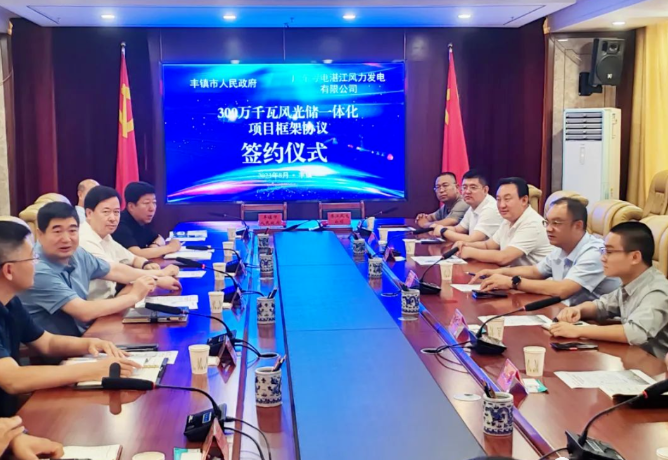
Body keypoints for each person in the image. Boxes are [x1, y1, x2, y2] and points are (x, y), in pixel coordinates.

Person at [0, 219, 140, 417]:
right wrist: (93, 370)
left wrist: (90, 343)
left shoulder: (11, 302)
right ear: (8, 270)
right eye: (32, 258)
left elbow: (46, 342)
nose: (36, 264)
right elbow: (13, 379)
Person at [18, 202, 181, 337]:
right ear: (40, 234)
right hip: (62, 351)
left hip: (86, 335)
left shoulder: (76, 252)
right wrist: (133, 296)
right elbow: (83, 311)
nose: (66, 239)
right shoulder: (37, 268)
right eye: (57, 231)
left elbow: (114, 270)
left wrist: (158, 278)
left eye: (72, 230)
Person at [471, 198, 620, 305]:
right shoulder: (562, 247)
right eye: (547, 222)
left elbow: (562, 289)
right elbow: (535, 271)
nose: (548, 229)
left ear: (578, 225)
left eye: (556, 223)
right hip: (566, 313)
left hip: (597, 324)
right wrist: (499, 273)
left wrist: (512, 282)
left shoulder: (595, 253)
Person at [553, 222, 668, 359]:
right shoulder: (632, 282)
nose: (603, 258)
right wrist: (577, 310)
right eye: (603, 251)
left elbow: (635, 333)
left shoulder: (656, 291)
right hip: (633, 357)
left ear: (635, 257)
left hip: (656, 366)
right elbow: (601, 306)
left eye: (609, 252)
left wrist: (578, 330)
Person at [79, 186, 180, 300]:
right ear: (89, 213)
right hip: (94, 307)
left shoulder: (105, 236)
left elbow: (132, 258)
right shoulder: (84, 239)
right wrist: (160, 276)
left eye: (116, 212)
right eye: (106, 212)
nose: (113, 218)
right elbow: (115, 271)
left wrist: (145, 264)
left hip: (111, 300)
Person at [454, 177, 552, 267]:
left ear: (524, 200)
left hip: (535, 279)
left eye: (507, 199)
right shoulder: (508, 220)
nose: (502, 205)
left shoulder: (532, 224)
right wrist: (465, 244)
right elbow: (488, 246)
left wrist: (469, 252)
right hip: (513, 275)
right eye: (498, 199)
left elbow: (504, 258)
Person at [112, 182, 182, 258]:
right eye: (146, 203)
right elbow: (136, 254)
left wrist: (155, 246)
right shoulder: (119, 224)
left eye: (154, 203)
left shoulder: (140, 221)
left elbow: (159, 238)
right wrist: (170, 248)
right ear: (131, 206)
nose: (152, 208)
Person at [431, 170, 503, 243]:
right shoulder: (473, 205)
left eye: (473, 187)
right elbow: (458, 229)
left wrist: (443, 231)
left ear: (485, 190)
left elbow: (472, 239)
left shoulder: (490, 209)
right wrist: (437, 228)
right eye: (464, 187)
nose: (467, 192)